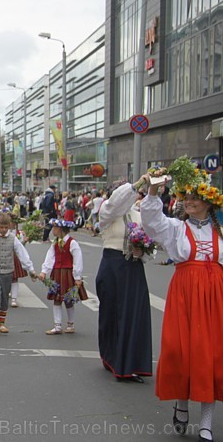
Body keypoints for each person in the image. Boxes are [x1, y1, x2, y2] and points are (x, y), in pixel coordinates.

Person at [140, 170, 223, 442]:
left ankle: (207, 423)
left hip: (215, 297)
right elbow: (151, 222)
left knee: (210, 356)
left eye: (194, 198)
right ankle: (182, 403)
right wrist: (153, 192)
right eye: (185, 197)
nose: (188, 201)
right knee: (180, 351)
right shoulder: (176, 228)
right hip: (185, 294)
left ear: (208, 202)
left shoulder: (219, 232)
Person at [95, 181, 152, 384]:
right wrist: (136, 184)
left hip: (133, 267)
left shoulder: (138, 215)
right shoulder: (107, 212)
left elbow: (149, 241)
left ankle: (131, 364)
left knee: (133, 314)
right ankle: (111, 356)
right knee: (111, 313)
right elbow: (116, 202)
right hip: (112, 265)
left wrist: (143, 251)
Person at [39, 219, 84, 335]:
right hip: (57, 273)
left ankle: (70, 324)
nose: (52, 230)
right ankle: (57, 325)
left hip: (68, 273)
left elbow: (77, 259)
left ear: (61, 229)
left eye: (55, 227)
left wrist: (77, 277)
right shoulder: (55, 242)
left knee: (69, 299)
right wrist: (44, 271)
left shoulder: (72, 243)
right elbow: (50, 257)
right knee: (57, 299)